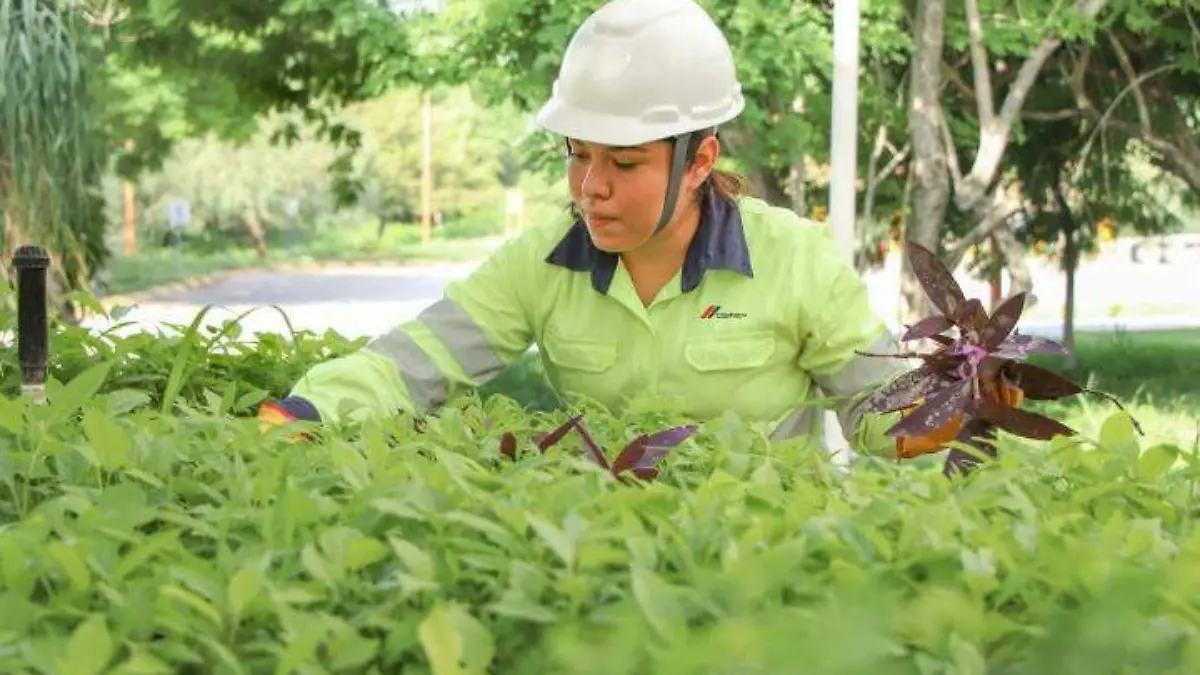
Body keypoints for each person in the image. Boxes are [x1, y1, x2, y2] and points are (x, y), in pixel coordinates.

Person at [258, 0, 937, 460]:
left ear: (699, 161)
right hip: (600, 575)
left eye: (624, 161)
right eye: (578, 153)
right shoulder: (543, 261)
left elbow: (880, 412)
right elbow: (413, 362)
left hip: (762, 575)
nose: (591, 188)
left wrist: (958, 413)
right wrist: (305, 412)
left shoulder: (794, 261)